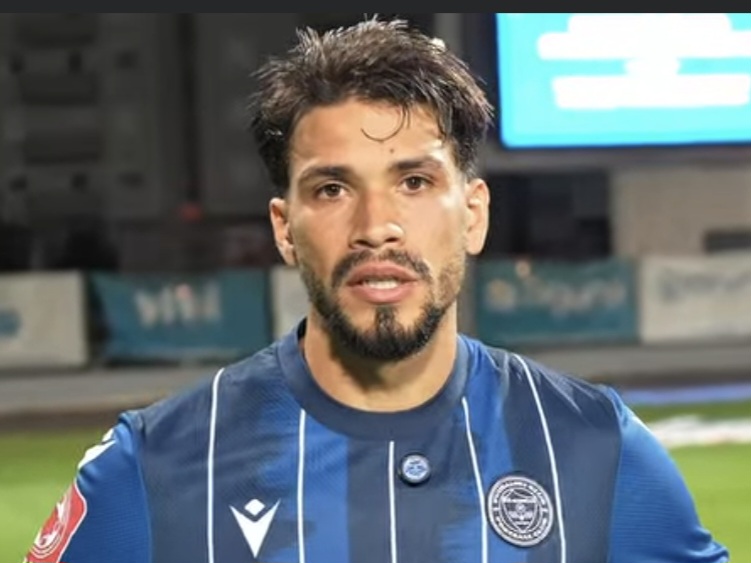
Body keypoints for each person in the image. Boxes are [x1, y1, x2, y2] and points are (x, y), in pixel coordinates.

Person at [24, 18, 729, 563]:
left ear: (473, 214)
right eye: (332, 189)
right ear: (285, 229)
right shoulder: (153, 467)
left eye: (414, 182)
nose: (376, 227)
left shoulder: (596, 448)